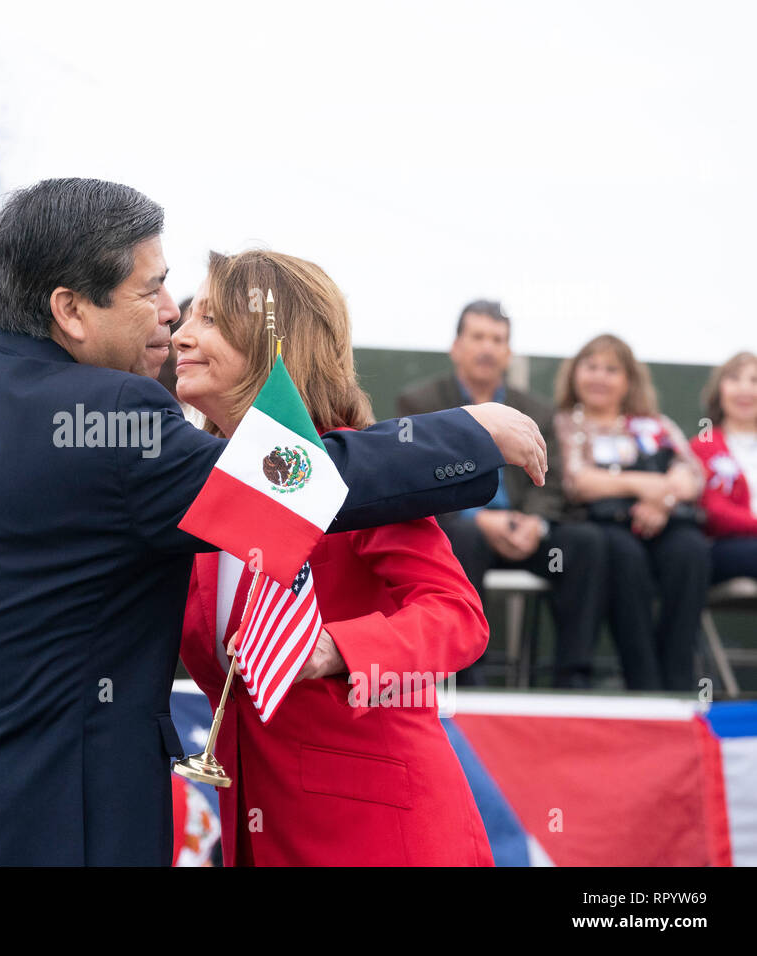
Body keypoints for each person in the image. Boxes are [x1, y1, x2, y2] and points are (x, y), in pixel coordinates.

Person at [0, 177, 547, 866]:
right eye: (152, 290)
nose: (170, 314)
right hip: (58, 825)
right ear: (70, 309)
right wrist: (471, 433)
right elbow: (299, 482)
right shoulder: (115, 416)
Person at [176, 250, 493, 865]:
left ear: (274, 343)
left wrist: (335, 650)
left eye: (210, 320)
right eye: (188, 316)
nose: (182, 335)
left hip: (379, 832)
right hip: (264, 830)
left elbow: (459, 617)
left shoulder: (353, 472)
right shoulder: (204, 484)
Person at [397, 301, 606, 687]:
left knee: (585, 543)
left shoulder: (536, 411)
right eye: (477, 337)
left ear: (509, 352)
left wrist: (537, 523)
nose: (487, 348)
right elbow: (413, 481)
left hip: (525, 533)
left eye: (497, 340)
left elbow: (554, 479)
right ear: (455, 346)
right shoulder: (421, 404)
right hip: (461, 532)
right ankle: (465, 677)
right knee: (465, 536)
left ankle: (572, 679)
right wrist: (477, 518)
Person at [552, 334, 709, 691]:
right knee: (625, 556)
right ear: (575, 372)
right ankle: (644, 681)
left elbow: (692, 474)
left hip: (664, 519)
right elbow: (577, 481)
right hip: (603, 524)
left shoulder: (654, 424)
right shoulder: (564, 423)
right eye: (591, 367)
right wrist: (643, 485)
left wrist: (660, 501)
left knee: (691, 552)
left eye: (611, 369)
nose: (599, 377)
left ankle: (678, 677)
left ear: (628, 380)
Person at [691, 351, 757, 581]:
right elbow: (715, 513)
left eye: (754, 380)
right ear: (719, 389)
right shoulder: (704, 444)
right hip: (725, 547)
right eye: (734, 379)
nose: (745, 389)